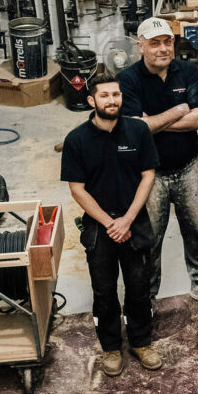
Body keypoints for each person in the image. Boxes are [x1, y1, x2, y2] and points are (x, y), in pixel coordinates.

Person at [61, 76, 162, 376]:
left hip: (134, 222)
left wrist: (128, 219)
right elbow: (77, 189)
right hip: (99, 226)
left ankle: (142, 342)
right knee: (104, 291)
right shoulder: (76, 140)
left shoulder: (138, 130)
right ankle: (111, 348)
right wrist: (111, 223)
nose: (112, 100)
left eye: (116, 94)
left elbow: (148, 176)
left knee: (139, 286)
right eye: (105, 95)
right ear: (92, 101)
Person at [119, 16, 198, 303]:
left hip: (189, 165)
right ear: (141, 47)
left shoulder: (188, 71)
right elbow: (138, 128)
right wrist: (178, 110)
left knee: (196, 229)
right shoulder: (128, 79)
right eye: (155, 43)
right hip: (151, 173)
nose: (163, 49)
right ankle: (147, 295)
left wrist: (154, 121)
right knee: (151, 236)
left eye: (167, 42)